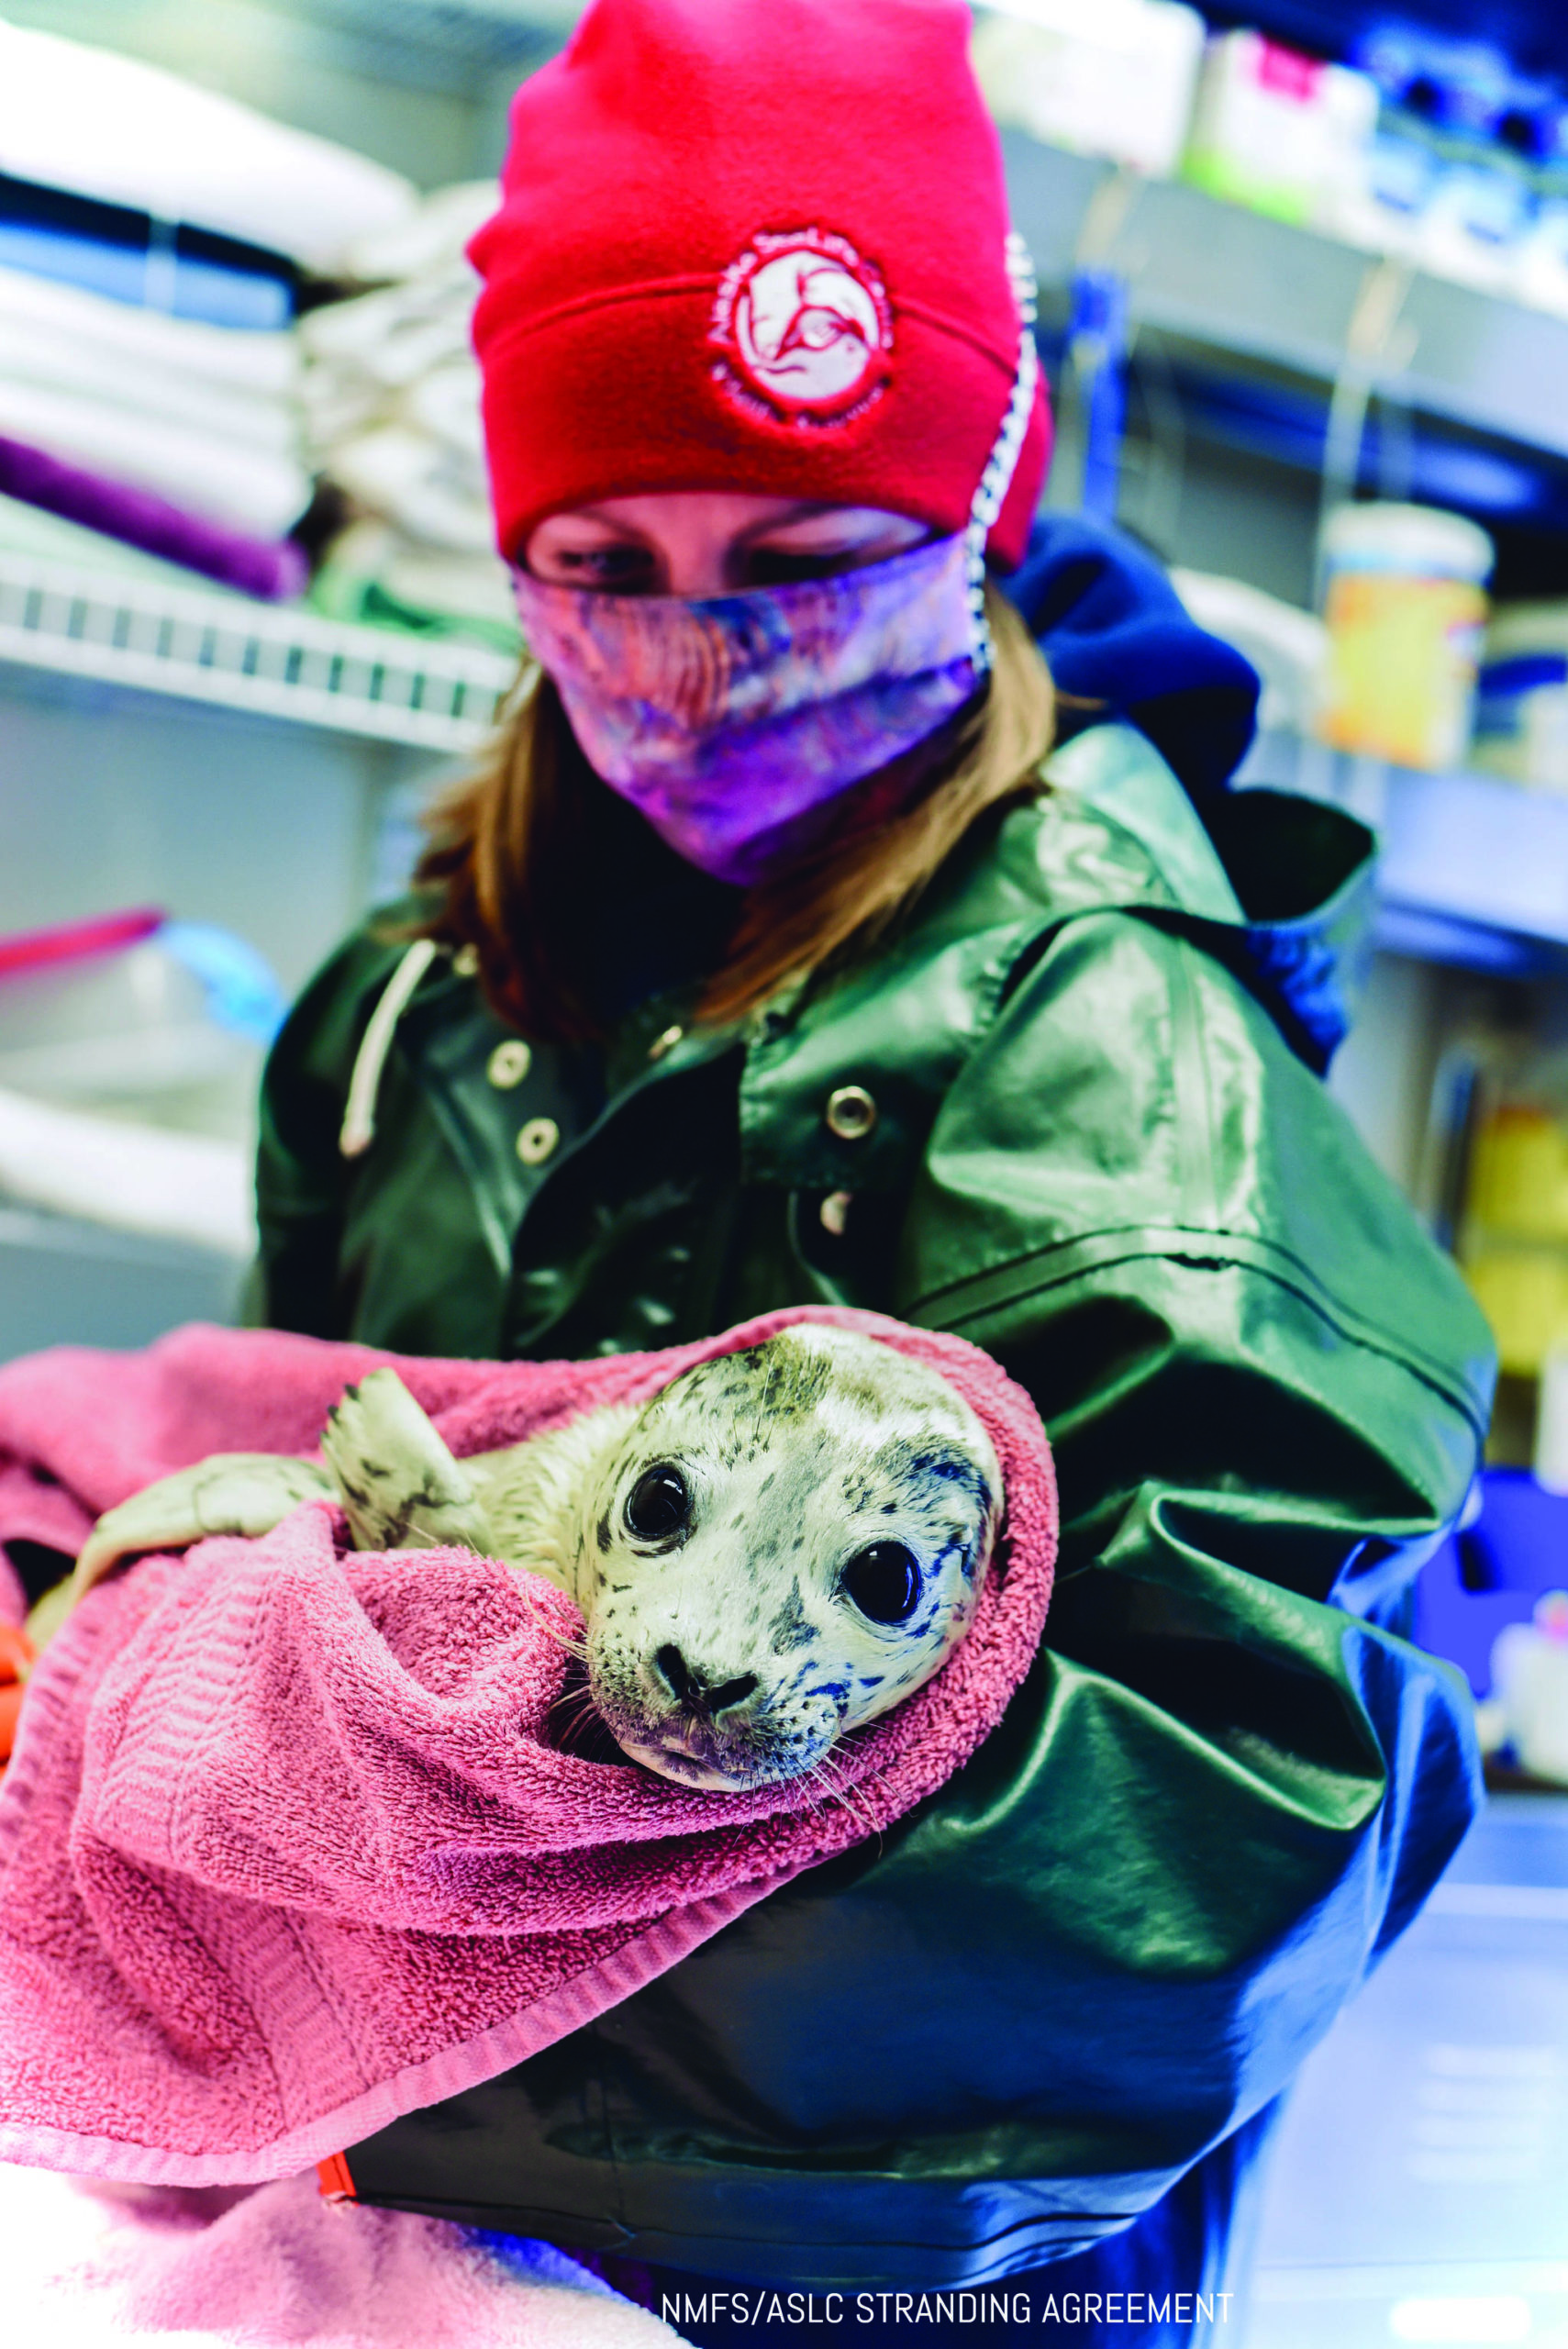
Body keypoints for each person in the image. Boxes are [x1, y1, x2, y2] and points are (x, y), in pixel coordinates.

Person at [250, 0, 1493, 2338]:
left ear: (975, 531)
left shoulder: (1124, 1065)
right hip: (370, 2212)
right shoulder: (399, 1019)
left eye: (807, 551)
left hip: (886, 2283)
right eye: (600, 556)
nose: (694, 657)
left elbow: (1203, 1845)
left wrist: (391, 1923)